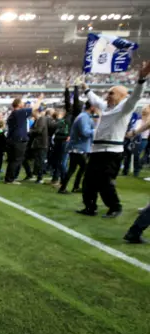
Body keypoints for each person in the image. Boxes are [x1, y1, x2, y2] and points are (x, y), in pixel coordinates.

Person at [78, 61, 149, 218]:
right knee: (89, 181)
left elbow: (136, 96)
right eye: (108, 93)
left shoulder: (125, 107)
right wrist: (85, 88)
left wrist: (142, 79)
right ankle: (90, 207)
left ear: (123, 96)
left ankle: (115, 207)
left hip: (111, 152)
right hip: (97, 151)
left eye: (111, 93)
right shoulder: (106, 107)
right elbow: (95, 100)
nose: (107, 96)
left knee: (105, 182)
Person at [58, 101, 97, 194]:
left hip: (78, 147)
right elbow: (85, 132)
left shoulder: (84, 117)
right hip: (78, 148)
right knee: (85, 168)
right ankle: (75, 187)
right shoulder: (83, 117)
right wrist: (96, 130)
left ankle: (66, 187)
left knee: (73, 169)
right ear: (91, 107)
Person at [4, 94, 43, 184]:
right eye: (22, 103)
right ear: (18, 104)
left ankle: (9, 178)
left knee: (13, 160)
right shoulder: (19, 112)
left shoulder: (13, 114)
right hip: (19, 140)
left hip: (12, 139)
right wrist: (39, 99)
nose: (23, 104)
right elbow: (34, 109)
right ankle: (10, 179)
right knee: (16, 160)